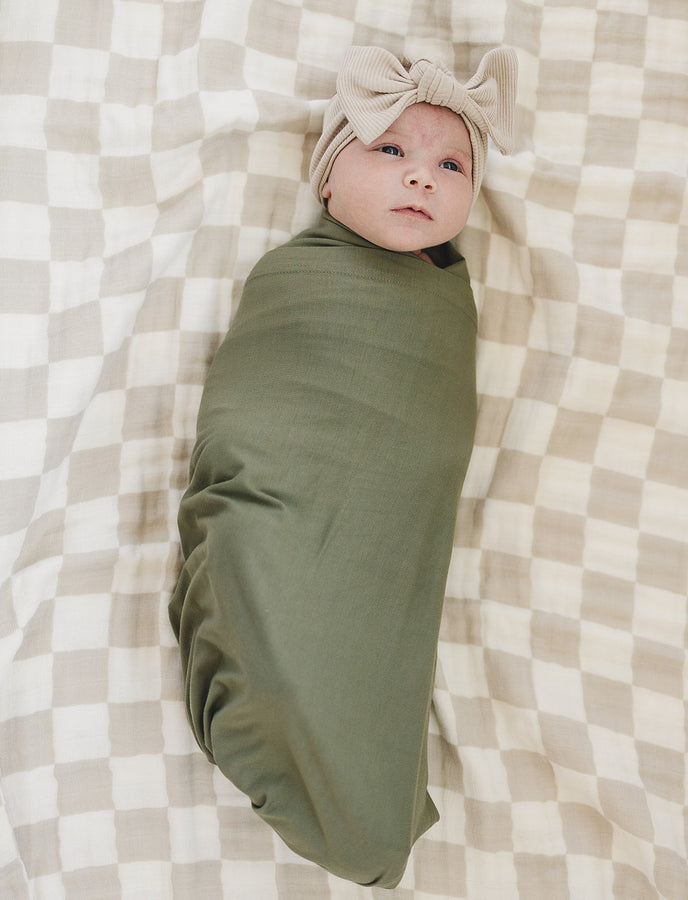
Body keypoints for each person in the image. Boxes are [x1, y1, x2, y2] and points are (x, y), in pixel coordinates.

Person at [168, 45, 517, 889]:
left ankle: (359, 800)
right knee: (273, 617)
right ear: (328, 179)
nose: (422, 178)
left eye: (449, 163)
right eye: (390, 151)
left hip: (382, 535)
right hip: (281, 507)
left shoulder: (447, 305)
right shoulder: (296, 278)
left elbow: (422, 462)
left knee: (366, 643)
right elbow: (254, 412)